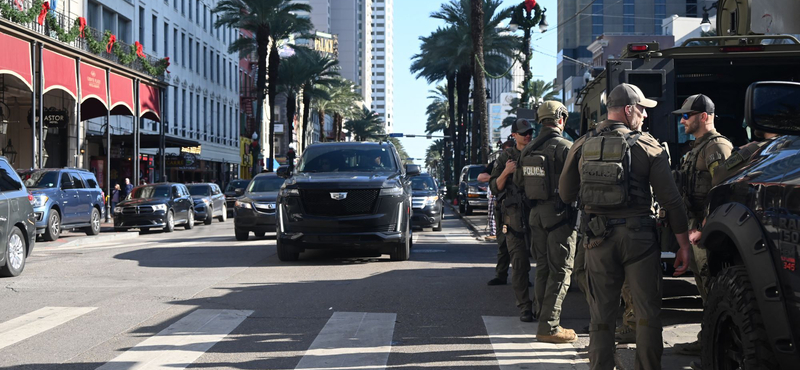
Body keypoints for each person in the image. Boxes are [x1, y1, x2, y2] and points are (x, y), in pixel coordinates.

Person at [559, 83, 692, 370]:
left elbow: (565, 194)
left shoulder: (582, 144)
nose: (644, 115)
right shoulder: (648, 146)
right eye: (642, 109)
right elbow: (672, 201)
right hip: (639, 239)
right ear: (629, 109)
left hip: (597, 240)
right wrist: (683, 244)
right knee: (646, 314)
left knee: (601, 316)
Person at [670, 94, 733, 356]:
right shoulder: (697, 147)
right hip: (695, 226)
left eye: (688, 115)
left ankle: (717, 346)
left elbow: (723, 191)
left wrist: (705, 228)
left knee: (713, 287)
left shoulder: (716, 147)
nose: (683, 120)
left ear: (704, 117)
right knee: (703, 287)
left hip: (707, 231)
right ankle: (707, 339)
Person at [520, 101, 578, 343]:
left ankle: (540, 313)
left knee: (543, 268)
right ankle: (550, 326)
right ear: (560, 119)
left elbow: (518, 182)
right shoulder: (566, 147)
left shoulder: (528, 149)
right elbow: (578, 185)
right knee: (561, 271)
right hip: (559, 217)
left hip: (536, 217)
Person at [490, 119, 535, 322]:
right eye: (523, 133)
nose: (527, 135)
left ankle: (543, 308)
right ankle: (525, 307)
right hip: (514, 218)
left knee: (545, 265)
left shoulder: (538, 153)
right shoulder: (506, 157)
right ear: (514, 135)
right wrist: (507, 172)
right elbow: (494, 187)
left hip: (538, 216)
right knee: (519, 265)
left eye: (530, 132)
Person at [484, 139, 515, 281]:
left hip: (522, 207)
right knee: (503, 242)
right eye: (507, 150)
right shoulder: (500, 162)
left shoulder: (527, 157)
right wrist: (505, 174)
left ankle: (522, 277)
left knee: (522, 246)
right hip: (504, 206)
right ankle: (501, 274)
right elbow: (489, 181)